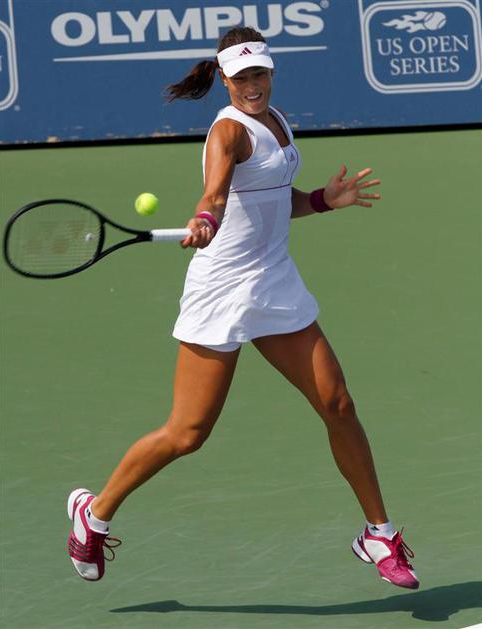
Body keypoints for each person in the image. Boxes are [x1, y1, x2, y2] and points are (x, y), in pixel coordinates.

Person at [67, 27, 418, 590]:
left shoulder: (276, 120)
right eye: (241, 78)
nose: (252, 85)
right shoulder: (228, 131)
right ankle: (95, 512)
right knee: (188, 433)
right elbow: (216, 192)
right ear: (224, 80)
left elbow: (275, 198)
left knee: (338, 403)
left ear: (270, 73)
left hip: (275, 283)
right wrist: (206, 217)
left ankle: (378, 533)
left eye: (259, 74)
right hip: (222, 291)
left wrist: (323, 200)